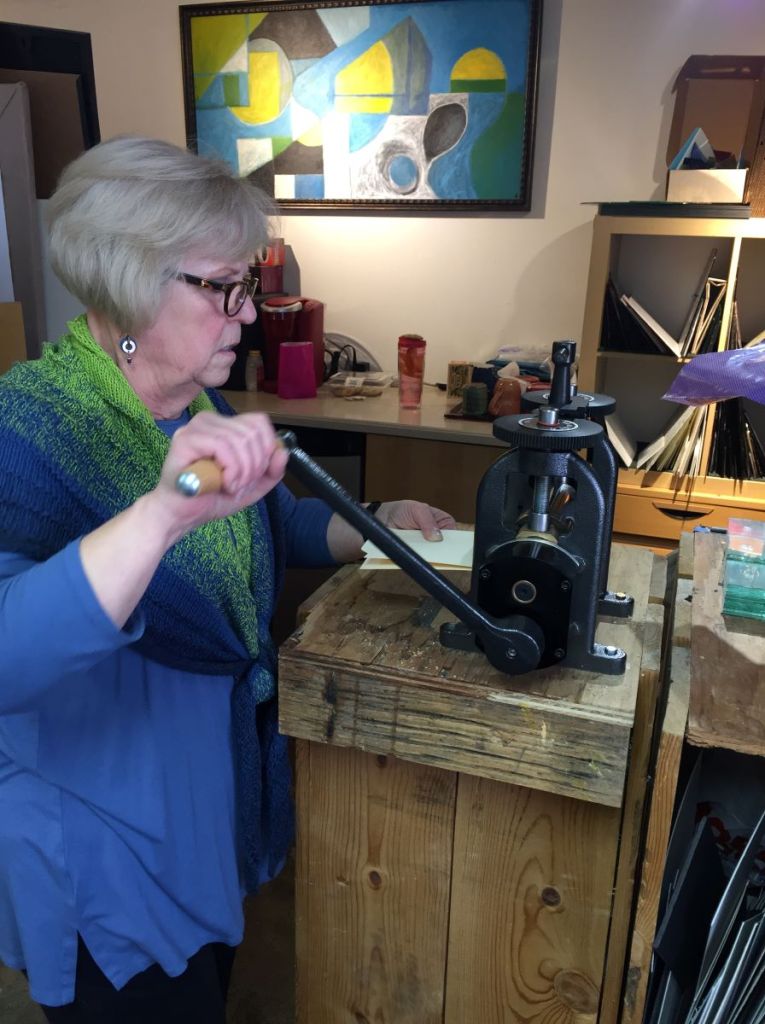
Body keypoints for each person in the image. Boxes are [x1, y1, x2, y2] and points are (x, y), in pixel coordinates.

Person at [0, 135, 455, 1022]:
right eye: (227, 288)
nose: (248, 314)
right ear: (133, 278)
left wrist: (367, 531)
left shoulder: (187, 399)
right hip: (100, 843)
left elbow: (259, 523)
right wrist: (160, 512)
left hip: (199, 815)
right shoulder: (24, 433)